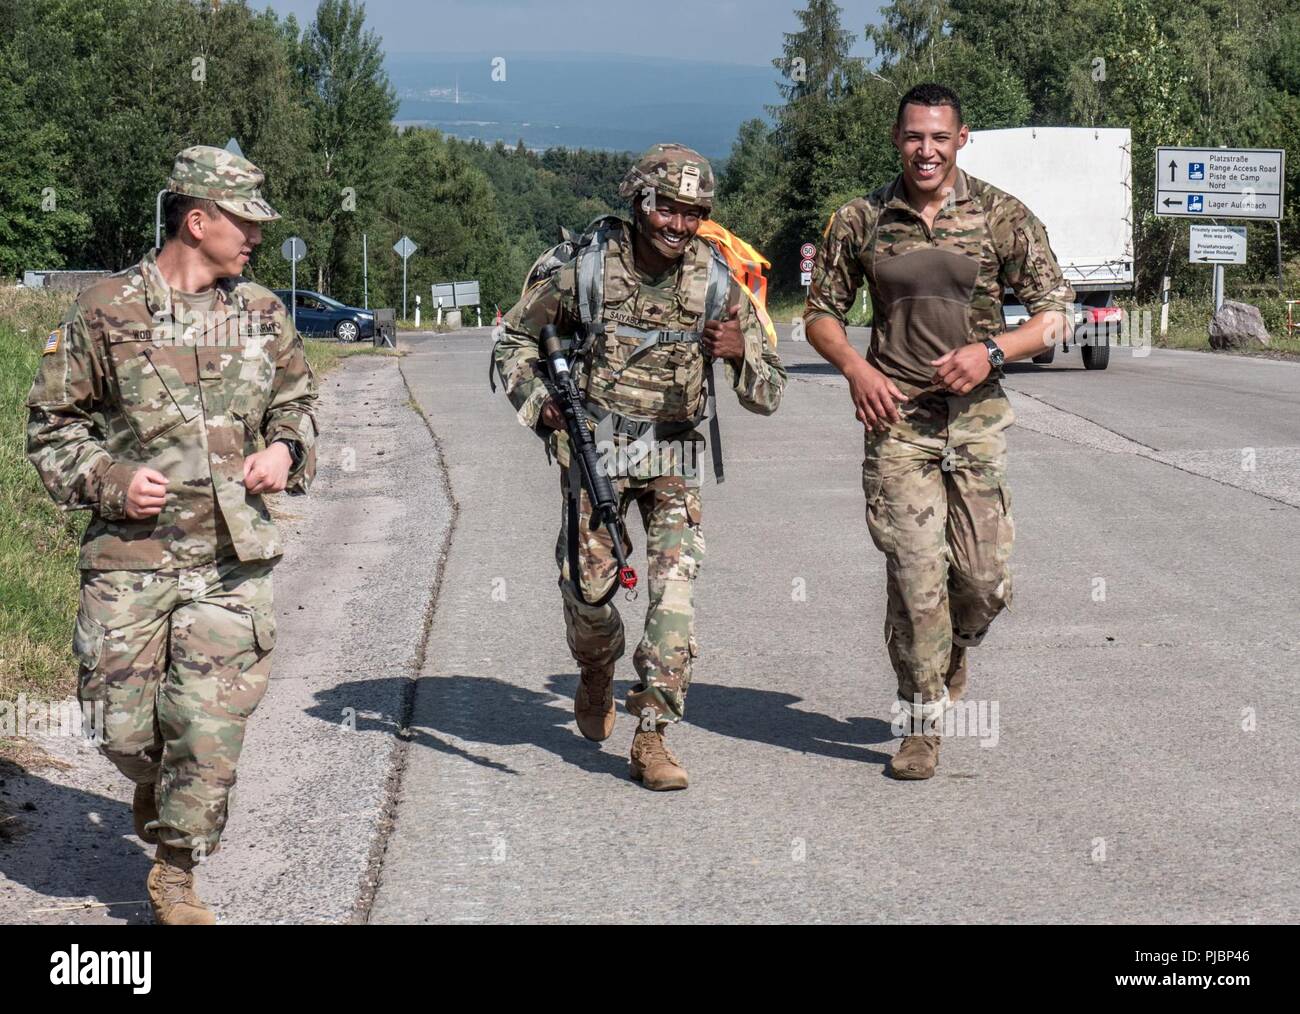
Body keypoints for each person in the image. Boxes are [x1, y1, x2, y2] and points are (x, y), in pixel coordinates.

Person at [26, 145, 318, 921]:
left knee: (208, 724)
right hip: (132, 557)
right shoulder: (103, 309)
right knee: (120, 727)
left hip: (229, 561)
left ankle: (178, 869)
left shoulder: (261, 314)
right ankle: (155, 783)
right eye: (244, 221)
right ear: (198, 220)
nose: (255, 236)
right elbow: (51, 428)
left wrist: (285, 450)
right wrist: (112, 480)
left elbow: (299, 405)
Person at [493, 143, 786, 790]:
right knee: (589, 595)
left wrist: (740, 355)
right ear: (639, 202)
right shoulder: (586, 272)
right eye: (667, 209)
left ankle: (651, 736)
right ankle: (597, 666)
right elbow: (512, 341)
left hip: (676, 456)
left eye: (693, 213)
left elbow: (769, 394)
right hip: (597, 450)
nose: (679, 226)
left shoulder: (717, 284)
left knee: (674, 602)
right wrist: (543, 408)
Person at [804, 84, 1074, 779]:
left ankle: (957, 649)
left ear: (962, 139)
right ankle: (920, 722)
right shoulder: (861, 218)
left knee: (981, 583)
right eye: (914, 137)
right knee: (917, 577)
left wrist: (991, 352)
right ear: (897, 139)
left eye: (939, 137)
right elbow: (820, 314)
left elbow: (1053, 317)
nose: (926, 150)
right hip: (897, 425)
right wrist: (855, 370)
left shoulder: (1001, 217)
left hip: (977, 422)